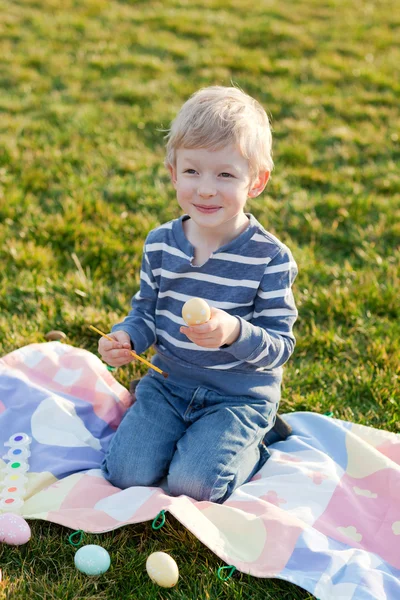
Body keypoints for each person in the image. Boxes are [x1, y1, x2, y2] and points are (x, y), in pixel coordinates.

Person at [98, 86, 298, 503]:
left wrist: (232, 332)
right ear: (173, 172)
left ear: (256, 181)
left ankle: (254, 441)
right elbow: (145, 315)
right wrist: (127, 337)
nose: (206, 189)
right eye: (192, 172)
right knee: (126, 474)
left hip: (236, 397)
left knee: (196, 485)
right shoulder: (161, 244)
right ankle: (184, 436)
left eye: (225, 175)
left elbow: (280, 346)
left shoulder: (270, 258)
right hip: (170, 384)